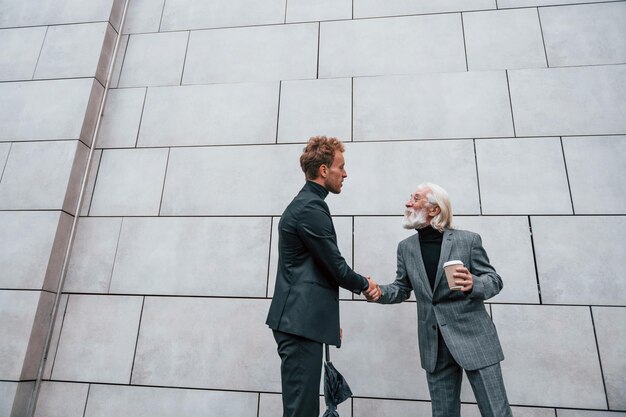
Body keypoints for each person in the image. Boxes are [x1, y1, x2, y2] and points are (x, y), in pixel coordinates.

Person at [366, 183, 513, 417]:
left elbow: (494, 280)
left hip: (475, 340)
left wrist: (474, 284)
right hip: (434, 346)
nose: (407, 203)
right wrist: (378, 292)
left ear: (434, 210)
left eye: (415, 199)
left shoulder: (468, 240)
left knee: (496, 412)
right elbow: (402, 288)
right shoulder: (406, 248)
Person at [266, 136, 378, 417]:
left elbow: (314, 273)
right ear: (324, 170)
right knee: (301, 412)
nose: (346, 173)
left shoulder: (308, 204)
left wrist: (326, 323)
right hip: (298, 325)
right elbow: (336, 268)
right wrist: (366, 285)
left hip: (302, 323)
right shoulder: (310, 208)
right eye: (341, 166)